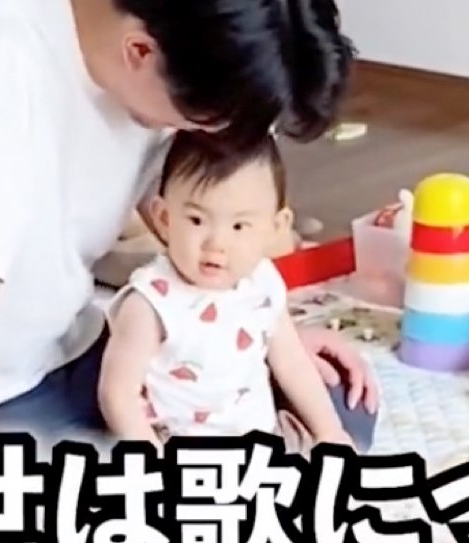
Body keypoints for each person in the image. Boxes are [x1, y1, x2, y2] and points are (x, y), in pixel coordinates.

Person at [0, 0, 379, 518]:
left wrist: (254, 332)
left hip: (61, 355)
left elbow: (189, 219)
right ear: (140, 51)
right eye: (199, 119)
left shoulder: (161, 52)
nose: (198, 135)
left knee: (334, 404)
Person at [100, 131, 352, 454]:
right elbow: (118, 395)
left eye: (239, 227)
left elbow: (291, 362)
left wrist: (330, 432)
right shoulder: (151, 302)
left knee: (344, 442)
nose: (216, 244)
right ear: (163, 218)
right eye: (196, 220)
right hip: (180, 448)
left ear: (275, 227)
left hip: (263, 436)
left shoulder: (262, 281)